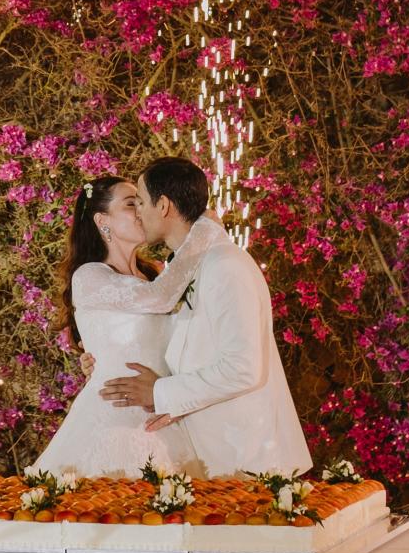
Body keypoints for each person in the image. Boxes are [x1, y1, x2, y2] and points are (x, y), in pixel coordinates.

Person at [96, 156, 312, 478]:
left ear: (164, 205)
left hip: (249, 456)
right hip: (218, 454)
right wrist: (105, 358)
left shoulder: (224, 265)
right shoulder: (189, 268)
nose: (138, 212)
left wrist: (161, 393)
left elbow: (243, 368)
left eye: (140, 201)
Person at [33, 174, 222, 478]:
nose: (141, 211)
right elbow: (160, 299)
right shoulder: (90, 276)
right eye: (131, 203)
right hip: (115, 419)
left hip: (163, 411)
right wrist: (202, 232)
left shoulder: (153, 275)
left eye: (142, 202)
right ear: (102, 220)